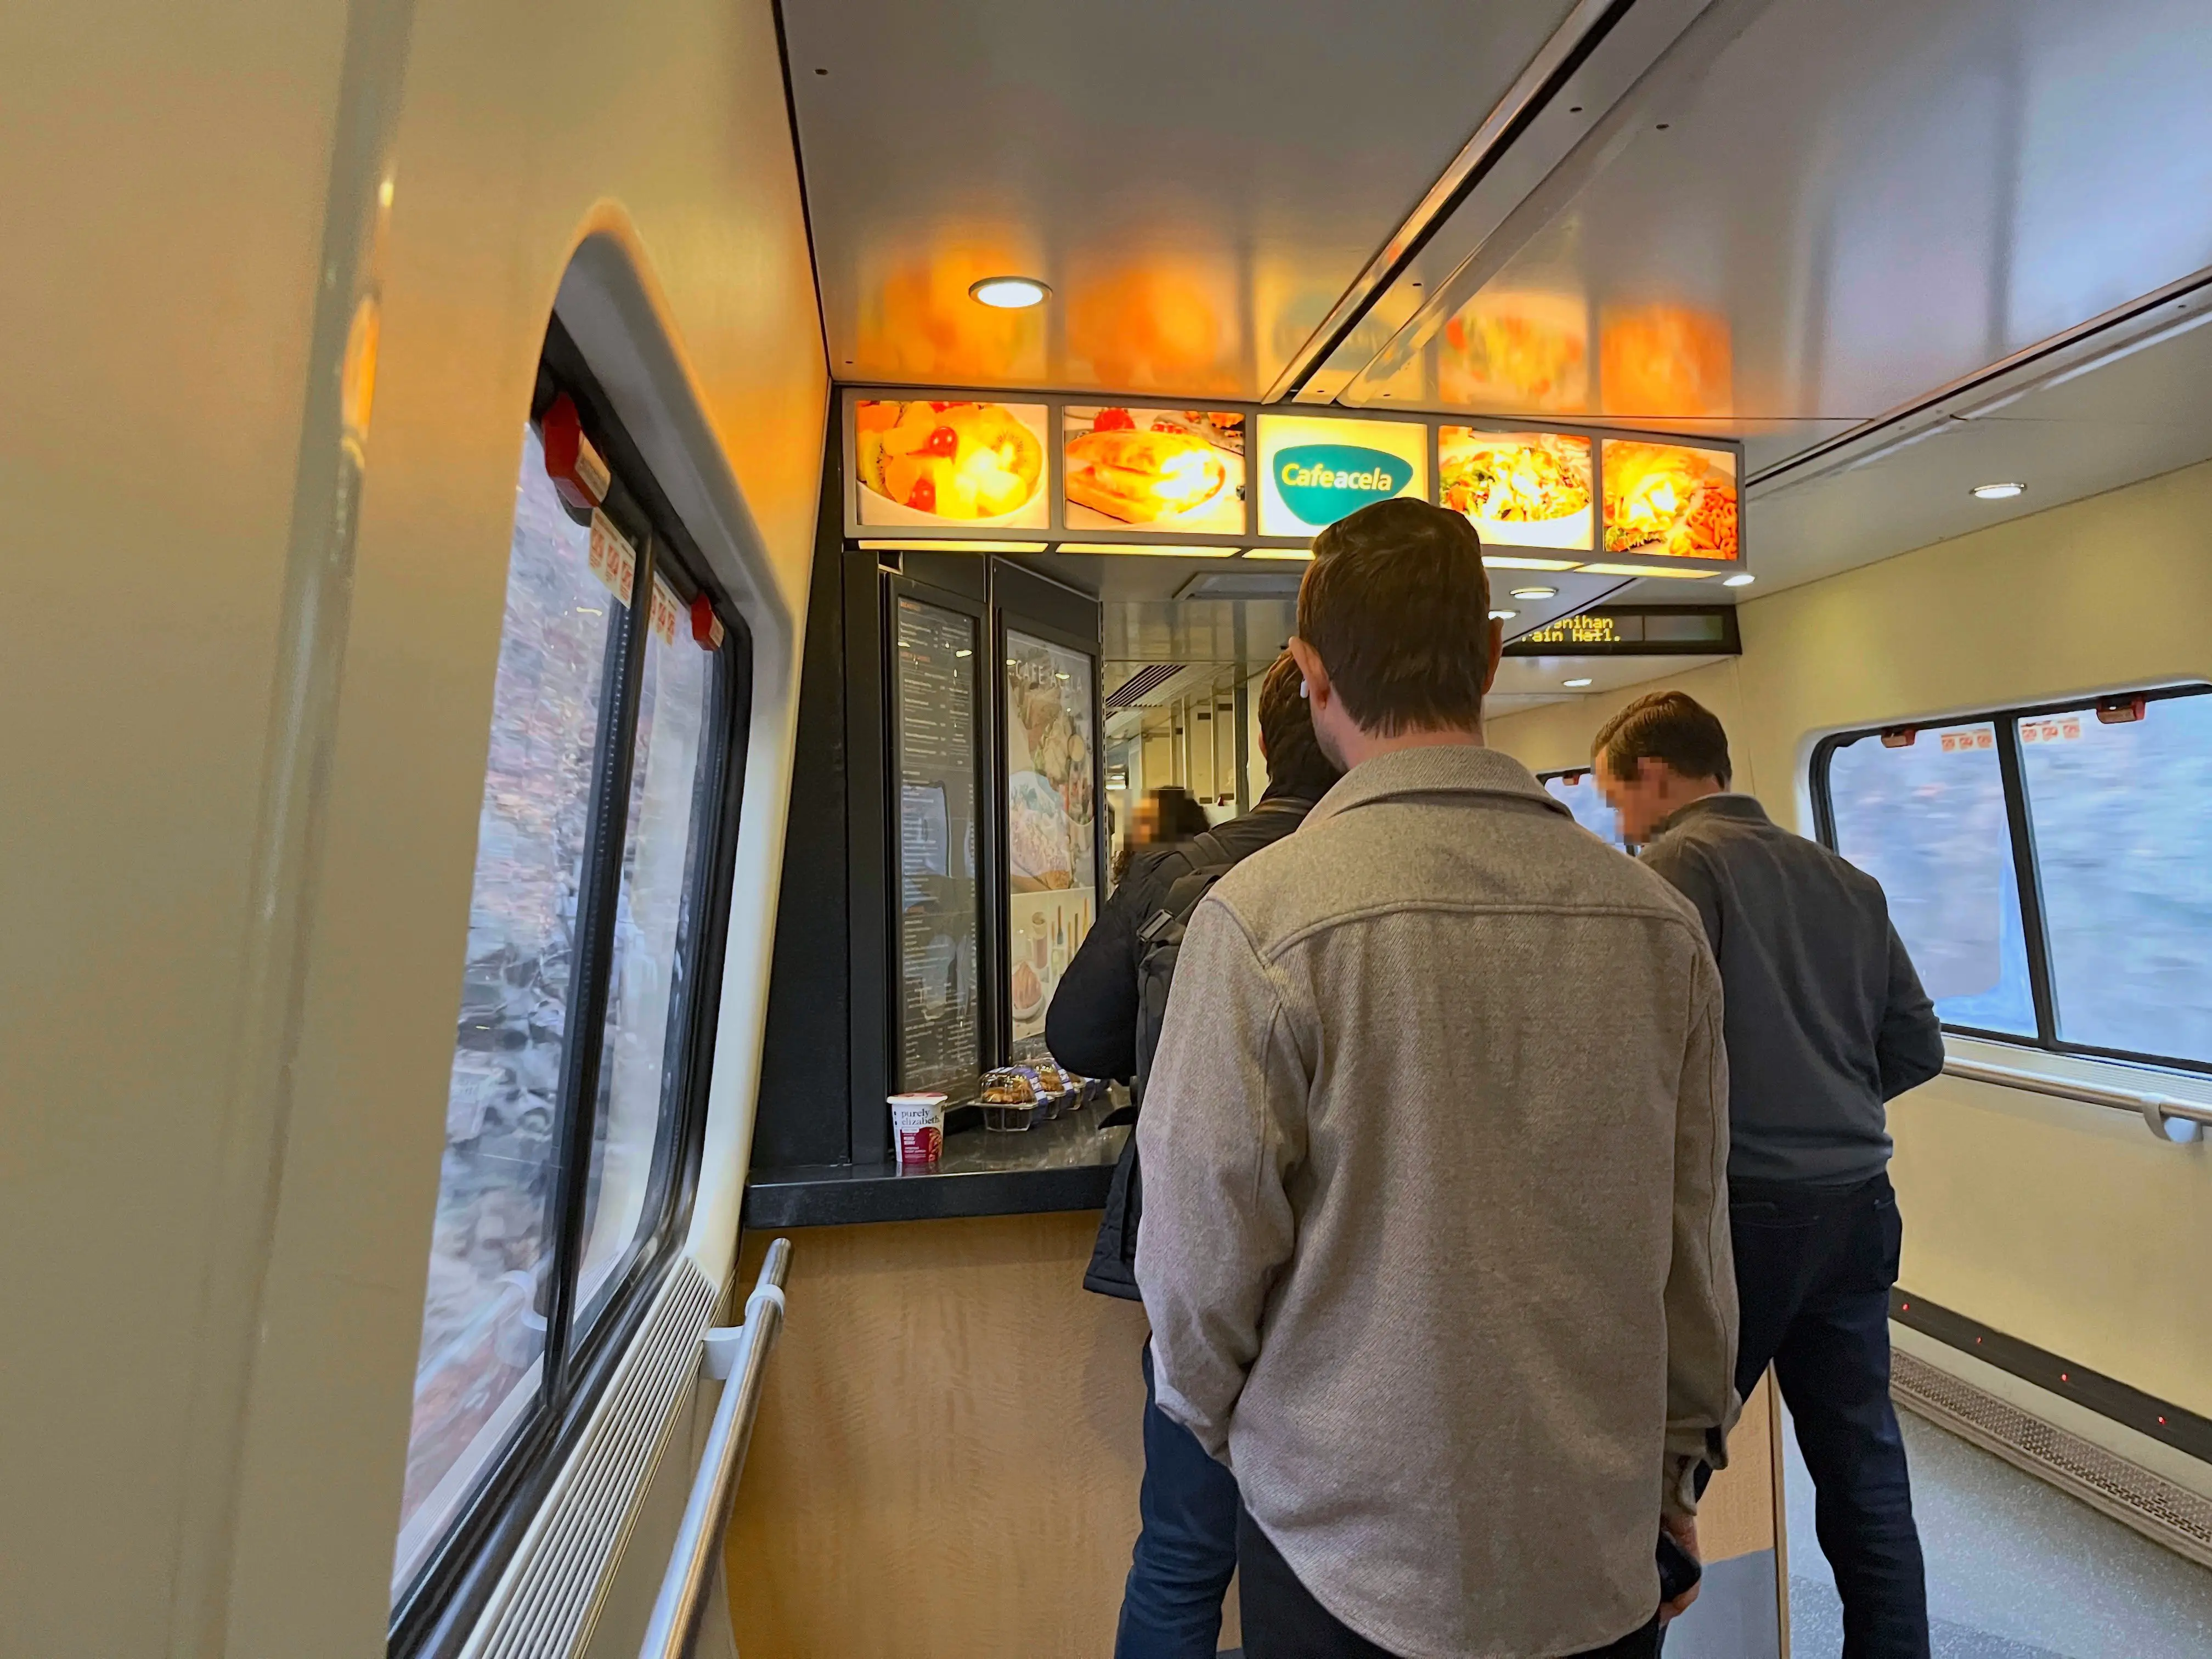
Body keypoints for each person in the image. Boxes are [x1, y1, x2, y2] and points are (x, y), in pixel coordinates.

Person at [1136, 499, 1739, 1659]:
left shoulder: (1260, 922)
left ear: (1311, 676)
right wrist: (1675, 1470)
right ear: (1493, 655)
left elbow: (1197, 1253)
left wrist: (1234, 1437)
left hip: (1339, 1556)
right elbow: (1693, 1243)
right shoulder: (1657, 925)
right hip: (1595, 1544)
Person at [1593, 691, 1945, 1659]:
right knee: (1864, 1472)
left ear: (1652, 777)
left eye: (1615, 796)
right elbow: (1917, 1047)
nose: (1616, 822)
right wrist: (1829, 1097)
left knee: (1659, 1473)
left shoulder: (1670, 869)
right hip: (1860, 1209)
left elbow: (1635, 1056)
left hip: (1741, 1223)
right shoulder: (1848, 882)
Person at [1046, 651, 1343, 1659]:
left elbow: (1078, 1037)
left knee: (1181, 1554)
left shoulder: (1187, 867)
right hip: (1375, 1286)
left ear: (1266, 744)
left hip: (1204, 1248)